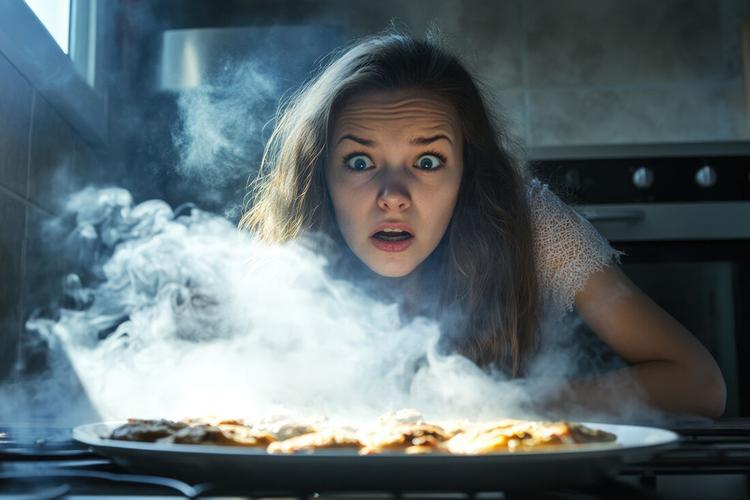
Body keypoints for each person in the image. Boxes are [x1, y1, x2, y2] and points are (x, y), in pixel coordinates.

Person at [239, 31, 726, 418]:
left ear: (468, 175)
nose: (392, 197)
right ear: (320, 175)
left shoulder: (528, 221)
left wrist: (503, 409)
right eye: (360, 162)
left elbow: (698, 383)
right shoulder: (289, 253)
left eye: (427, 161)